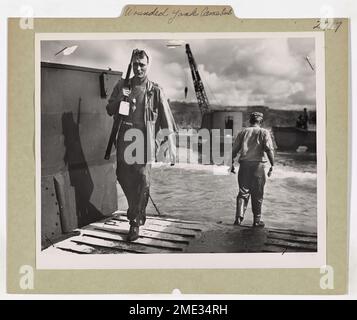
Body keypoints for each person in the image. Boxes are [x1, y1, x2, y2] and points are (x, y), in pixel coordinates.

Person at [106, 49, 177, 241]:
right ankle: (136, 210)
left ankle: (134, 222)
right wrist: (122, 96)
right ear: (131, 64)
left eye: (142, 64)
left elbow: (166, 119)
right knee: (123, 176)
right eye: (135, 64)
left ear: (148, 65)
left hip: (144, 139)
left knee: (142, 179)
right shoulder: (122, 84)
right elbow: (110, 109)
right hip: (125, 137)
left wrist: (170, 144)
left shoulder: (155, 90)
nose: (138, 68)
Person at [230, 112, 274, 228]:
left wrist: (231, 163)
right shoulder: (264, 132)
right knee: (258, 193)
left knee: (243, 192)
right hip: (258, 166)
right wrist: (272, 165)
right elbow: (269, 150)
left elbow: (234, 150)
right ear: (261, 121)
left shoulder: (243, 132)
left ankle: (238, 219)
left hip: (244, 165)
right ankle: (256, 221)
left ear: (250, 121)